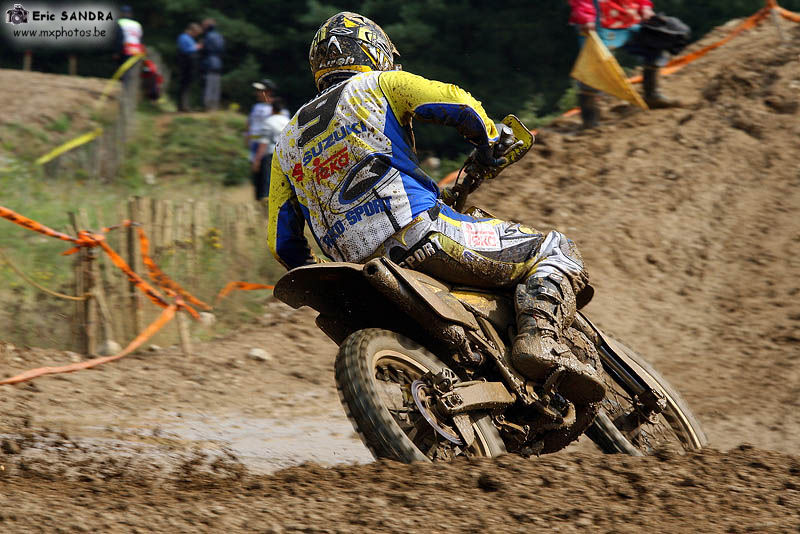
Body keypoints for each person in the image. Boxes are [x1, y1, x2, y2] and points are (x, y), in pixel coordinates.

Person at [267, 12, 605, 403]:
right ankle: (540, 339)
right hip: (421, 235)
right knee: (555, 248)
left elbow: (282, 243)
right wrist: (490, 141)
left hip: (354, 275)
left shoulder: (285, 141)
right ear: (372, 50)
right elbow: (458, 103)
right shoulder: (379, 83)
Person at [569, 0, 682, 129]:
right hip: (598, 23)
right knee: (594, 68)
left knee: (656, 44)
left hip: (630, 19)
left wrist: (645, 7)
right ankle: (590, 120)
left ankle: (652, 95)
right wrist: (586, 18)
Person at [251, 97, 289, 202]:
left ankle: (265, 204)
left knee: (267, 183)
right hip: (285, 155)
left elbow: (264, 143)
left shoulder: (268, 122)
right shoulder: (287, 121)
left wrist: (257, 160)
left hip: (270, 155)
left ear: (272, 109)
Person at [113, 5, 143, 89]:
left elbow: (119, 38)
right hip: (137, 50)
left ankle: (125, 90)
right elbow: (140, 39)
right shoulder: (137, 24)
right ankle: (132, 89)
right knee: (133, 72)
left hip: (125, 49)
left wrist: (117, 52)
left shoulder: (120, 22)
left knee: (124, 71)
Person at [176, 22, 203, 112]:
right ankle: (182, 106)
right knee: (184, 84)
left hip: (190, 64)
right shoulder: (183, 37)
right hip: (185, 64)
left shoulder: (189, 38)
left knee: (187, 85)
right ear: (191, 30)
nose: (196, 35)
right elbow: (185, 49)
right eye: (195, 33)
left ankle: (185, 105)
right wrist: (197, 47)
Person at [200, 18, 225, 111]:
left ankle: (207, 105)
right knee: (216, 85)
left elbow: (204, 49)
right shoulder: (219, 36)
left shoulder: (207, 36)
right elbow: (222, 49)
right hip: (218, 62)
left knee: (208, 85)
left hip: (208, 62)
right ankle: (214, 105)